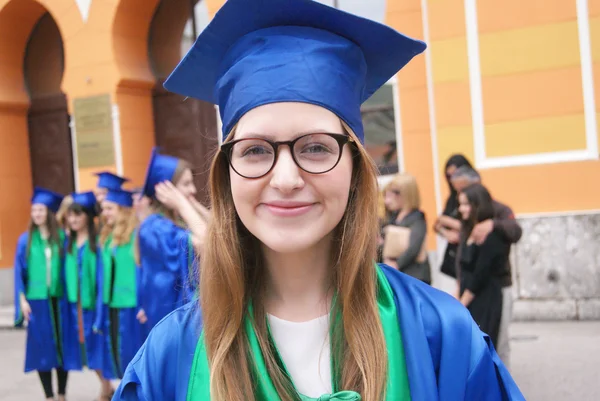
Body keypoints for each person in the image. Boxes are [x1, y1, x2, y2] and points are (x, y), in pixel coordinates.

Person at [113, 0, 524, 399]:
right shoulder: (171, 357)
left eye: (316, 148)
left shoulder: (442, 336)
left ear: (356, 170)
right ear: (226, 177)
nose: (287, 178)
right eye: (255, 150)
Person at [450, 165, 522, 369]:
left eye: (463, 191)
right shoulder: (468, 222)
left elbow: (515, 232)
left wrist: (494, 225)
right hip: (473, 291)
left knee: (498, 342)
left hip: (495, 288)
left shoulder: (499, 212)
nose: (460, 198)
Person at [137, 149, 207, 331]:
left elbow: (218, 234)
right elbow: (206, 243)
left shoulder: (175, 223)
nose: (193, 189)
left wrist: (191, 204)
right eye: (186, 184)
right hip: (175, 322)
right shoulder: (155, 228)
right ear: (167, 191)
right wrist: (183, 204)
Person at [13, 187, 68, 401]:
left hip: (59, 300)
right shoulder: (24, 240)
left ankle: (62, 394)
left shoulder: (61, 238)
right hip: (36, 301)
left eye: (41, 210)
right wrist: (22, 300)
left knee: (61, 348)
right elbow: (19, 272)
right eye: (34, 210)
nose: (36, 214)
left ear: (49, 213)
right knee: (41, 349)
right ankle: (49, 396)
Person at [60, 191, 114, 400]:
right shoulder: (68, 242)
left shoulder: (97, 242)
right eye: (70, 215)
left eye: (78, 214)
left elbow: (102, 278)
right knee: (86, 351)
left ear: (88, 217)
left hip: (94, 306)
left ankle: (106, 387)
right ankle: (106, 386)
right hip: (75, 307)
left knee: (97, 347)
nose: (73, 219)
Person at [456, 183, 510, 348]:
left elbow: (481, 272)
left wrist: (462, 301)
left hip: (486, 297)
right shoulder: (468, 230)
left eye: (465, 204)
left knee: (488, 345)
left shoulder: (491, 234)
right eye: (460, 204)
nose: (461, 209)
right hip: (471, 295)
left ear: (477, 205)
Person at [100, 188, 145, 379]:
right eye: (104, 209)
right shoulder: (109, 236)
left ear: (123, 209)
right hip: (113, 304)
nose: (105, 213)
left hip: (133, 305)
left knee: (133, 357)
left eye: (110, 208)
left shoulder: (138, 234)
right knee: (118, 358)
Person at [380, 173, 431, 284]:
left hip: (415, 275)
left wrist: (397, 264)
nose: (388, 200)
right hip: (398, 274)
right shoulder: (393, 218)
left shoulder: (417, 217)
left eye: (394, 193)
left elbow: (414, 247)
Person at [434, 154, 473, 278]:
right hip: (454, 258)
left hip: (471, 255)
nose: (452, 180)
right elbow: (436, 225)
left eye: (455, 174)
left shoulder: (476, 195)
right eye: (449, 176)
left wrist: (446, 220)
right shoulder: (451, 199)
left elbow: (472, 225)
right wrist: (446, 233)